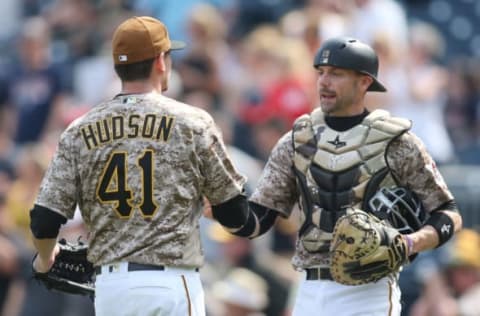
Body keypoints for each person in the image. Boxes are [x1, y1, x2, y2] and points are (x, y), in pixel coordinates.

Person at [210, 37, 463, 315]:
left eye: (337, 74)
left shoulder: (397, 143)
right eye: (321, 72)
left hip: (369, 290)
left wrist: (409, 242)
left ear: (365, 81)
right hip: (309, 288)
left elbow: (448, 213)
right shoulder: (297, 140)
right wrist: (223, 208)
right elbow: (256, 221)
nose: (324, 81)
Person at [29, 16, 246, 316]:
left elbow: (43, 219)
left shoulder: (79, 129)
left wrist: (45, 259)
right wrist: (213, 210)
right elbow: (237, 213)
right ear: (160, 61)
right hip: (171, 282)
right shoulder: (193, 123)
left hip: (111, 290)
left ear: (118, 66)